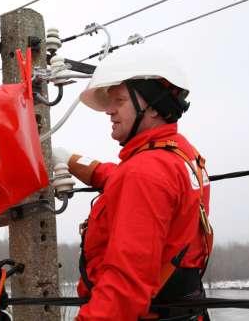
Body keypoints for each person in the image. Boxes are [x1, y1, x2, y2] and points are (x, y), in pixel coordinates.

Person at [52, 46, 213, 320]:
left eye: (120, 101)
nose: (109, 111)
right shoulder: (179, 156)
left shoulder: (144, 173)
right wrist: (69, 160)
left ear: (152, 106)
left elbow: (124, 290)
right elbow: (118, 178)